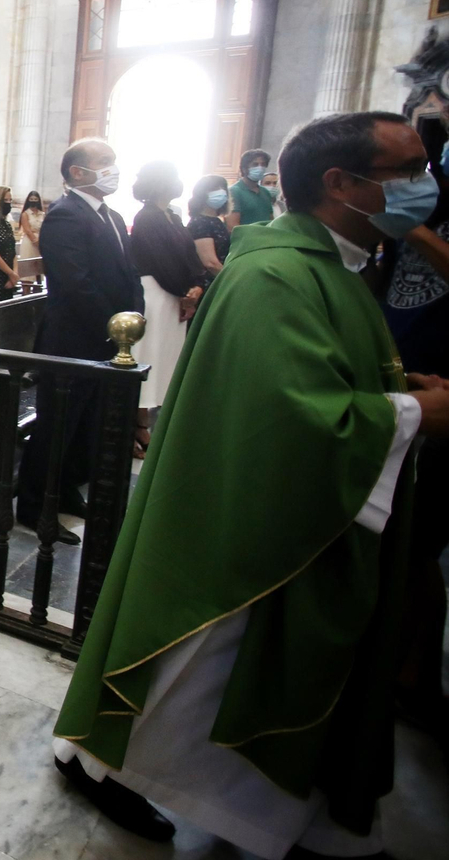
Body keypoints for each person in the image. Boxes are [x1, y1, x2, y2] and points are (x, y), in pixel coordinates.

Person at [52, 111, 449, 855]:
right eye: (410, 171)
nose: (428, 186)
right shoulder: (276, 272)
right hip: (239, 513)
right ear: (342, 184)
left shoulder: (326, 265)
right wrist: (416, 415)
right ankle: (104, 760)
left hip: (253, 489)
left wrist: (397, 394)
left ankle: (268, 808)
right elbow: (298, 417)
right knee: (193, 668)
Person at [14, 139, 144, 546]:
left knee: (85, 425)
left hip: (106, 339)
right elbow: (75, 282)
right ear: (76, 173)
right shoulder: (65, 216)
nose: (113, 169)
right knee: (57, 425)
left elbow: (128, 273)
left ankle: (66, 490)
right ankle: (33, 506)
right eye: (104, 162)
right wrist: (111, 323)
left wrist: (132, 318)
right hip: (72, 340)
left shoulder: (111, 214)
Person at [377, 145, 449, 751]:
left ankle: (413, 672)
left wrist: (417, 231)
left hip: (439, 396)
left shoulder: (418, 217)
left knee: (419, 540)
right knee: (400, 535)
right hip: (403, 378)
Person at [126, 162, 207, 453]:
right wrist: (184, 292)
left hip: (175, 293)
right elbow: (160, 260)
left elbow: (188, 254)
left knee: (165, 360)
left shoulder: (172, 216)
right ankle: (137, 426)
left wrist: (197, 285)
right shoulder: (147, 217)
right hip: (157, 293)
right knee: (149, 355)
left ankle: (149, 424)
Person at [185, 174, 231, 275]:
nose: (221, 191)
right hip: (209, 282)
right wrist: (231, 279)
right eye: (214, 188)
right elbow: (210, 263)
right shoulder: (199, 222)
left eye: (223, 188)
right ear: (201, 194)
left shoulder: (217, 221)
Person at [225, 148, 275, 229]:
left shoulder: (265, 192)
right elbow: (232, 226)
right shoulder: (234, 191)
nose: (260, 168)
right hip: (244, 240)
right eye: (255, 164)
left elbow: (271, 220)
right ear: (244, 168)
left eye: (263, 164)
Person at [17, 190, 45, 280]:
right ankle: (26, 291)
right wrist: (35, 241)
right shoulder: (25, 214)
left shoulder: (42, 214)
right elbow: (27, 230)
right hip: (29, 242)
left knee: (38, 269)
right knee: (28, 272)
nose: (33, 201)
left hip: (40, 241)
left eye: (35, 199)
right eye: (31, 199)